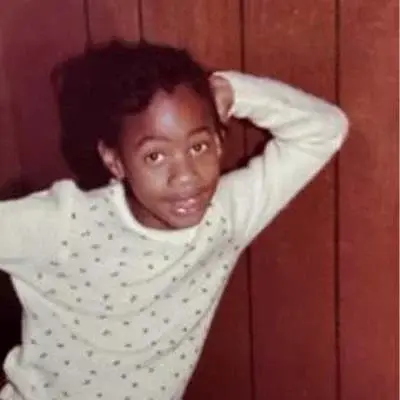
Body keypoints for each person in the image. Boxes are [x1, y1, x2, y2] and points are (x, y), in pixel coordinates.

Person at [0, 40, 348, 400]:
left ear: (218, 143)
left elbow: (325, 130)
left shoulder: (226, 217)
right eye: (155, 156)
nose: (185, 177)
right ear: (115, 161)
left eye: (198, 147)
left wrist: (232, 92)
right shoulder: (65, 226)